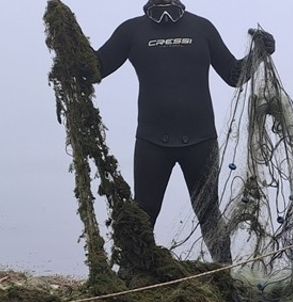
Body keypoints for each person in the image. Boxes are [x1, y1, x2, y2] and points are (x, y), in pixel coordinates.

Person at [94, 0, 275, 265]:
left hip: (201, 140)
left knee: (209, 213)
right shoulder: (131, 31)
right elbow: (96, 68)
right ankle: (131, 277)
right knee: (144, 213)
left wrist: (259, 53)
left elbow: (233, 75)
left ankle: (224, 275)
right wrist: (69, 41)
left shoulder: (202, 28)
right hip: (151, 141)